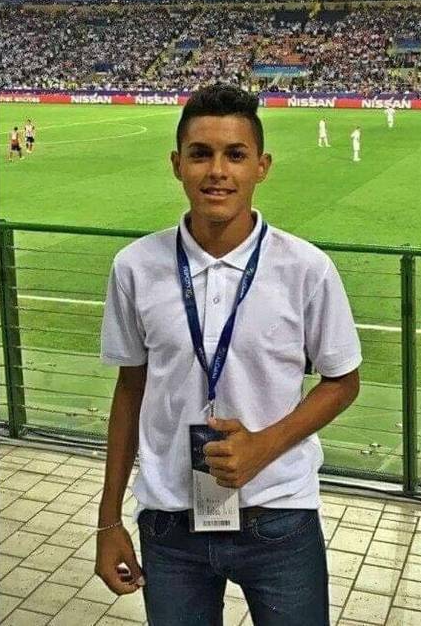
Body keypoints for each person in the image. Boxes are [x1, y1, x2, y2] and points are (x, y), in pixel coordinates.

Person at [96, 85, 362, 626]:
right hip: (169, 522)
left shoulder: (307, 270)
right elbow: (130, 389)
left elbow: (343, 381)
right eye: (201, 154)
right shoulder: (134, 267)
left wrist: (264, 445)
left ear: (261, 166)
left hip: (280, 516)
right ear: (177, 164)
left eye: (235, 155)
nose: (217, 171)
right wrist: (108, 520)